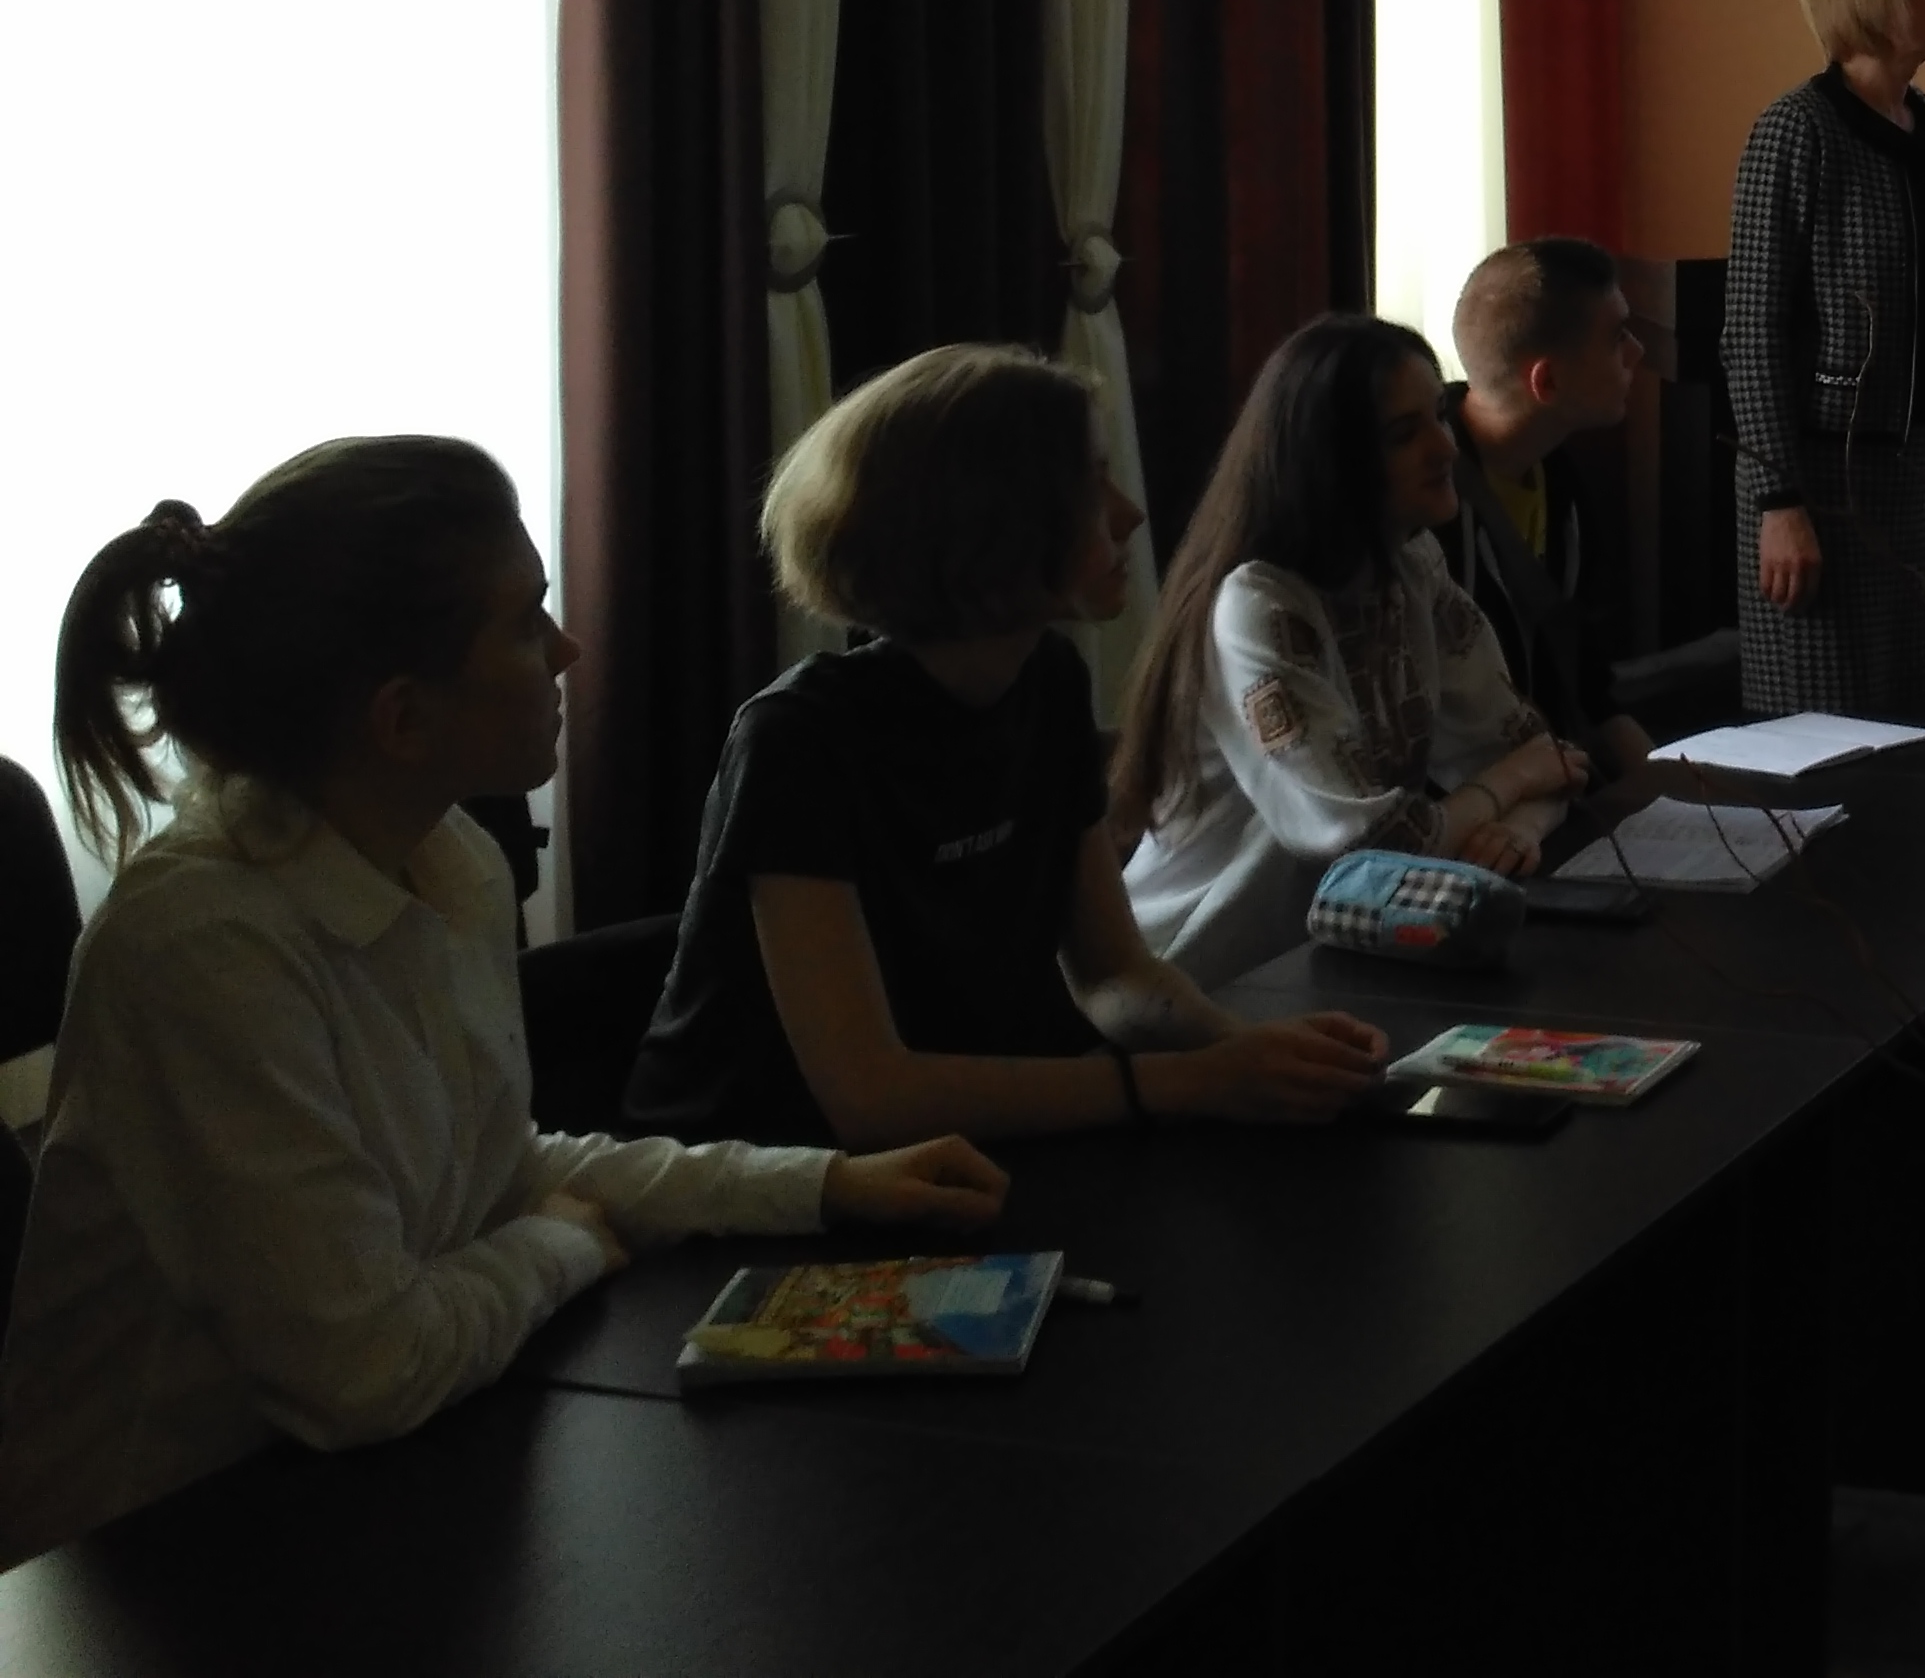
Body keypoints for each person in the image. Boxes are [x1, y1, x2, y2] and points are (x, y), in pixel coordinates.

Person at [0, 438, 1006, 1558]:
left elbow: (499, 1168)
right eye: (527, 624)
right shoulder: (201, 947)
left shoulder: (449, 862)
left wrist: (823, 1186)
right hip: (147, 1555)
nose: (567, 649)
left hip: (351, 1490)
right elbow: (366, 1369)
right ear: (401, 719)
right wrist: (558, 1249)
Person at [624, 345, 1389, 1148]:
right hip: (763, 1172)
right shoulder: (798, 741)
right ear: (994, 522)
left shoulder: (1046, 681)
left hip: (957, 1143)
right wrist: (1191, 1081)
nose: (1128, 512)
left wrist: (1253, 1051)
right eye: (1092, 485)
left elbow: (1113, 974)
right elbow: (871, 1094)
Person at [1118, 318, 1591, 985]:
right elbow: (1368, 848)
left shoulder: (1414, 566)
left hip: (1333, 959)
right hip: (1199, 976)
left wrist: (1521, 831)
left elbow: (1551, 762)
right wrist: (1513, 784)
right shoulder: (1259, 605)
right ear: (1332, 462)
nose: (1445, 447)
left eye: (1439, 416)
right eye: (1403, 435)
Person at [1724, 0, 1925, 724]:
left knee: (1913, 730)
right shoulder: (1794, 132)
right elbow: (1751, 333)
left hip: (1910, 475)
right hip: (1818, 487)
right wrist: (1777, 503)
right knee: (1822, 738)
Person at [1440, 238, 1652, 771]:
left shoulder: (1560, 479)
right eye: (1617, 337)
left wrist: (1675, 789)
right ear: (1548, 381)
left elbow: (1588, 684)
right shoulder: (1426, 509)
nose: (1637, 352)